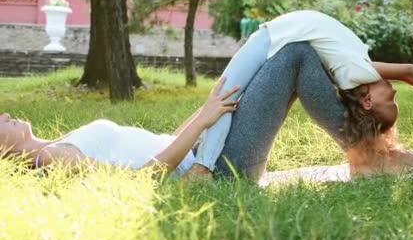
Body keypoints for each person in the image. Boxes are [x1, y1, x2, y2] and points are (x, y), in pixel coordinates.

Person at [190, 10, 413, 178]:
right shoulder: (350, 67)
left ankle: (203, 167)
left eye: (391, 98)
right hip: (230, 163)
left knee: (229, 91)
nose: (393, 88)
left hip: (227, 167)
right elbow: (407, 74)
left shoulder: (356, 72)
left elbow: (409, 72)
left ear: (368, 101)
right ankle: (372, 155)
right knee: (229, 92)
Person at [0, 78, 239, 176]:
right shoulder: (51, 156)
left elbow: (166, 140)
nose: (5, 114)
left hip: (201, 145)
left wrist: (203, 110)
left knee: (256, 50)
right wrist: (200, 122)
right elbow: (142, 178)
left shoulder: (56, 145)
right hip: (209, 163)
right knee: (268, 44)